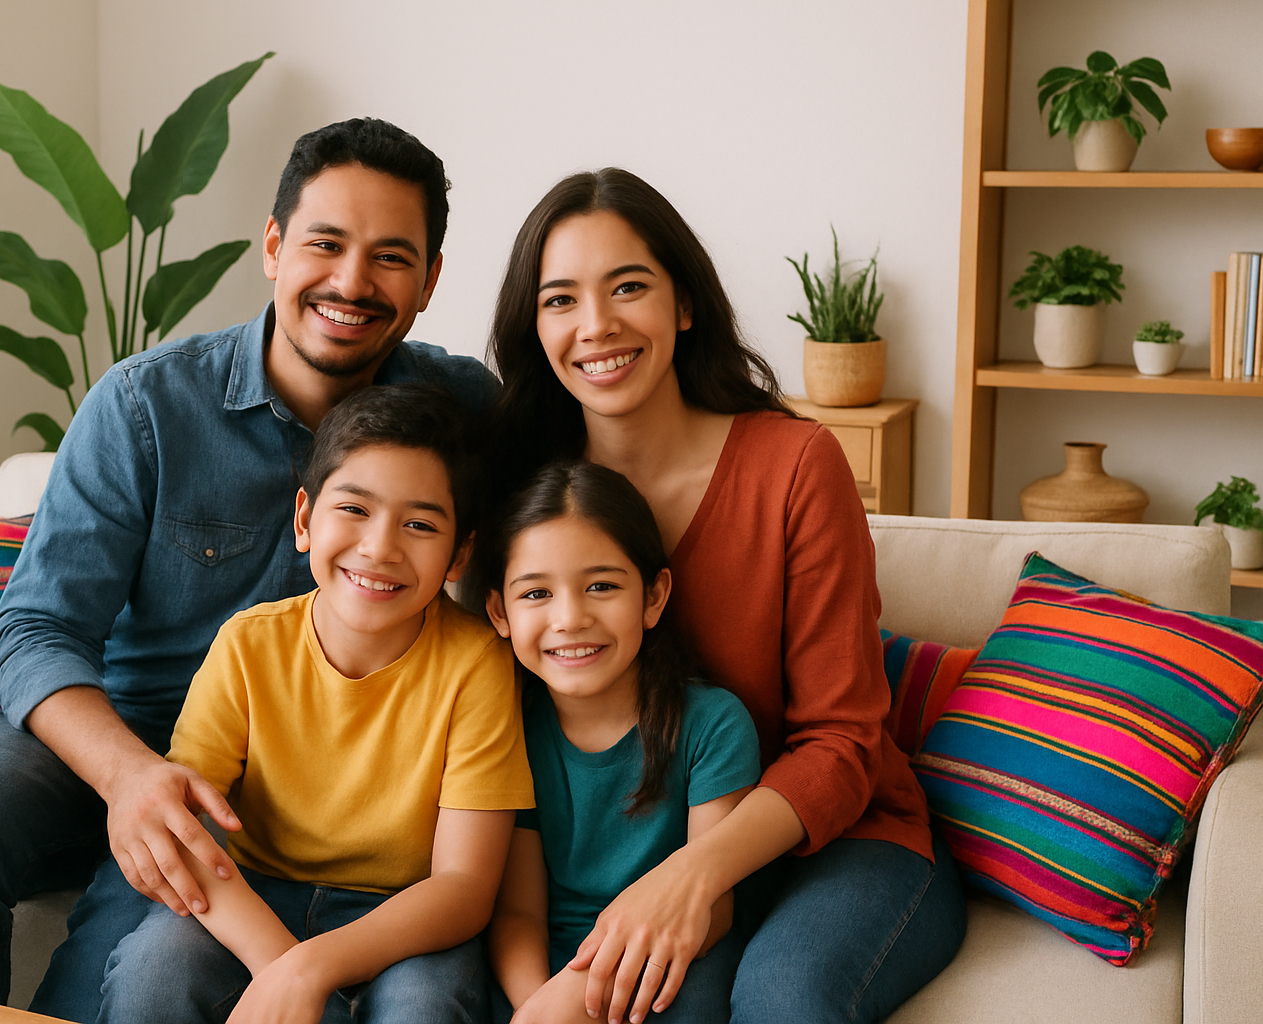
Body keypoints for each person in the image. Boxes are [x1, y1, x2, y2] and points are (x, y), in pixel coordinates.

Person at [0, 118, 494, 1023]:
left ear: (430, 280)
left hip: (295, 761)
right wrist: (129, 775)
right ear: (275, 246)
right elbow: (36, 627)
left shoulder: (461, 408)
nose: (353, 282)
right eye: (326, 243)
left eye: (391, 257)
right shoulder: (146, 406)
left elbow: (588, 496)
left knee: (123, 965)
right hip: (121, 723)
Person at [486, 168, 967, 1024]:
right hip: (634, 857)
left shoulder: (795, 466)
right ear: (535, 326)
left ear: (684, 304)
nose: (595, 325)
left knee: (788, 1001)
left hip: (835, 846)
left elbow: (844, 740)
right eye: (560, 300)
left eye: (628, 286)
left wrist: (687, 878)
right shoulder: (524, 497)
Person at [98, 383, 532, 1024]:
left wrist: (312, 967)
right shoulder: (248, 645)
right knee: (151, 975)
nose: (380, 547)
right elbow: (185, 832)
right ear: (304, 520)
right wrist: (281, 960)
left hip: (404, 912)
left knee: (423, 1009)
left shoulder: (478, 663)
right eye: (354, 510)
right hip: (251, 896)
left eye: (419, 524)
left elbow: (465, 888)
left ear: (459, 555)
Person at [483, 460, 760, 1024]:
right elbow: (517, 914)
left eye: (602, 586)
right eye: (536, 593)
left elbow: (715, 907)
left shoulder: (713, 724)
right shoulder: (507, 727)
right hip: (541, 970)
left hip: (672, 959)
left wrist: (570, 1007)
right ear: (499, 612)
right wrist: (539, 1006)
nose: (570, 618)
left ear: (653, 597)